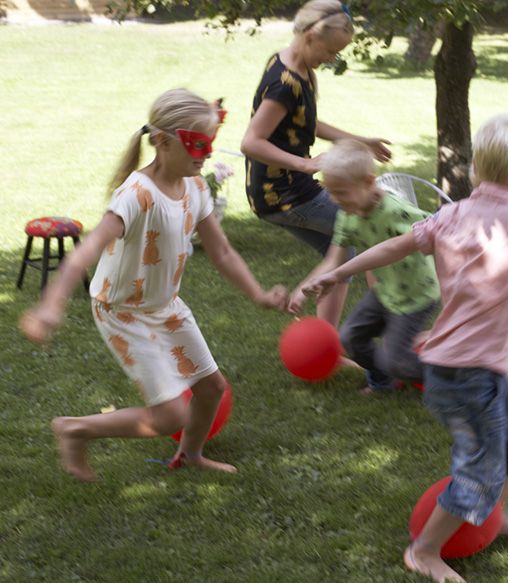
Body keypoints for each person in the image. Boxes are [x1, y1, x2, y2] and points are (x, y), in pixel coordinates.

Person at [300, 114, 508, 583]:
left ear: (477, 169)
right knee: (479, 470)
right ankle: (424, 550)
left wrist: (340, 271)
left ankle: (496, 517)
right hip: (464, 376)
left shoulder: (453, 213)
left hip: (472, 370)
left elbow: (395, 247)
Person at [19, 89, 288, 482]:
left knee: (211, 387)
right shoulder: (137, 195)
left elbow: (223, 252)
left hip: (165, 305)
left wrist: (258, 294)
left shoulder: (195, 188)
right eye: (198, 144)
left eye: (211, 142)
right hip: (123, 311)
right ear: (162, 142)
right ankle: (75, 429)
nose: (208, 153)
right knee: (170, 415)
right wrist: (51, 305)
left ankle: (191, 455)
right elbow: (87, 250)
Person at [241, 0, 391, 331]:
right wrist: (304, 163)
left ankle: (328, 344)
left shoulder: (299, 69)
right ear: (311, 36)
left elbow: (304, 122)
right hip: (283, 194)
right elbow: (251, 142)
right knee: (370, 229)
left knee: (342, 254)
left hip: (285, 191)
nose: (332, 58)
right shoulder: (284, 82)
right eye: (331, 50)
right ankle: (390, 325)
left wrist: (360, 141)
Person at [288, 139, 439, 393]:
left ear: (369, 182)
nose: (334, 199)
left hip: (416, 296)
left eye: (341, 192)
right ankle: (383, 383)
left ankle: (451, 379)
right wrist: (303, 288)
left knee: (395, 360)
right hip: (385, 292)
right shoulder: (348, 216)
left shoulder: (397, 212)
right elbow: (333, 260)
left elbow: (437, 234)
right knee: (350, 338)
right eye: (330, 191)